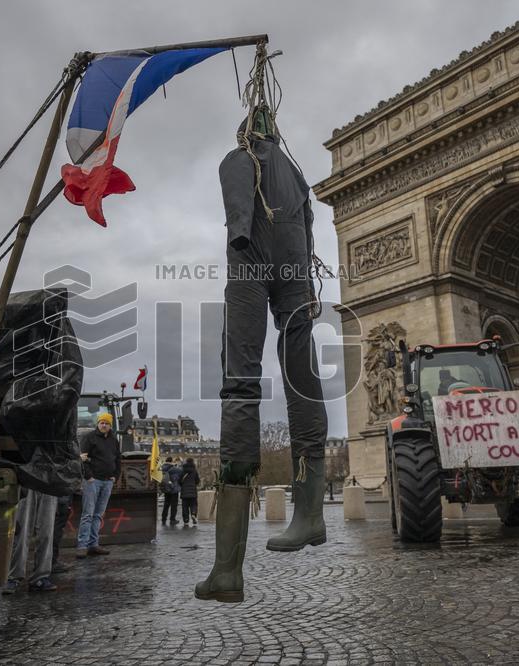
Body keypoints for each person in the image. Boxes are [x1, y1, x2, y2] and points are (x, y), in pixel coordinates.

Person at [196, 105, 328, 603]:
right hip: (296, 273)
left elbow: (237, 213)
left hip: (250, 265)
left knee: (240, 385)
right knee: (302, 378)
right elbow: (310, 230)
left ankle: (227, 571)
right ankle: (310, 515)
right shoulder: (296, 174)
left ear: (247, 132)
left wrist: (241, 238)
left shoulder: (239, 158)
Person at [76, 412, 122, 558]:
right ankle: (82, 546)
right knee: (88, 514)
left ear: (110, 425)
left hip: (108, 481)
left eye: (106, 423)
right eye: (101, 422)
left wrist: (115, 475)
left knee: (98, 515)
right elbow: (82, 458)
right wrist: (88, 476)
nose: (104, 425)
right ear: (98, 423)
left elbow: (117, 459)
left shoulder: (114, 440)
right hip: (93, 481)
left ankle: (93, 545)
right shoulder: (89, 437)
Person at [4, 488, 58, 593]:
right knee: (21, 532)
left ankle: (40, 577)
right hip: (27, 481)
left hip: (50, 483)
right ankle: (13, 577)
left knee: (46, 532)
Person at [51, 493, 72, 573]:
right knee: (56, 530)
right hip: (61, 496)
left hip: (61, 497)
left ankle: (51, 561)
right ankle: (52, 562)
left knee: (56, 529)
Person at [160, 457, 182, 525]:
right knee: (174, 505)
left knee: (166, 504)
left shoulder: (162, 468)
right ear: (171, 461)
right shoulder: (175, 469)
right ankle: (172, 519)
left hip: (166, 489)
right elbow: (180, 475)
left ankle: (163, 518)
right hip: (174, 489)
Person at [180, 458, 201, 527]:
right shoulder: (194, 471)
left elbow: (179, 481)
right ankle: (193, 514)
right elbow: (197, 481)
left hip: (184, 492)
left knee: (185, 506)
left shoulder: (183, 471)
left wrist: (183, 485)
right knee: (194, 504)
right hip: (193, 492)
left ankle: (186, 520)